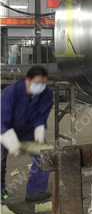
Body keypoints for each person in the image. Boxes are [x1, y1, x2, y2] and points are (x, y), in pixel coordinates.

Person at [1, 65, 52, 203]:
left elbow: (41, 118)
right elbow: (2, 121)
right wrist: (12, 144)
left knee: (44, 155)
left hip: (28, 129)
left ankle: (35, 191)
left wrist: (39, 140)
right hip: (5, 128)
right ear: (27, 81)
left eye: (43, 83)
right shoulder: (11, 92)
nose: (40, 86)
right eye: (37, 83)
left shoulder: (47, 94)